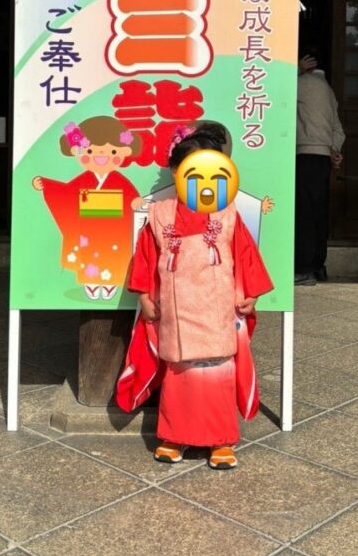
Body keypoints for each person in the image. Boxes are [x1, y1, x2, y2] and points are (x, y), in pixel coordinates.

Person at [116, 123, 273, 470]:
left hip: (217, 308)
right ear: (176, 171)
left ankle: (221, 441)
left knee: (217, 372)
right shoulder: (159, 215)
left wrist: (251, 294)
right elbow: (144, 256)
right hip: (177, 307)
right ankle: (174, 436)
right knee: (180, 374)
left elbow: (245, 255)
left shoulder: (227, 213)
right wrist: (143, 294)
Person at [32, 116, 143, 302]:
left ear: (123, 152)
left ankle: (110, 283)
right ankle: (90, 282)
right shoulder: (84, 179)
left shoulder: (119, 180)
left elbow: (131, 196)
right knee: (90, 255)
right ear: (78, 151)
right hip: (88, 229)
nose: (101, 156)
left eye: (111, 151)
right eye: (90, 150)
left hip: (114, 228)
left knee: (113, 253)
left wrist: (134, 202)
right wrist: (47, 185)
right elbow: (67, 193)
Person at [295, 44, 344, 286]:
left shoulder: (302, 84)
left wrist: (294, 70)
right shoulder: (329, 90)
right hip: (323, 157)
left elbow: (272, 90)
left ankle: (303, 269)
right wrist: (335, 150)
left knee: (303, 215)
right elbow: (338, 129)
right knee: (318, 214)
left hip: (304, 153)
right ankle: (318, 265)